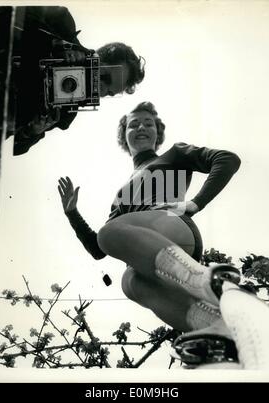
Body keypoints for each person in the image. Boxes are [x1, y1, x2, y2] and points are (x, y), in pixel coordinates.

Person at [58, 101, 242, 342]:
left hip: (174, 228)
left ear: (158, 132)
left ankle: (205, 281)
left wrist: (197, 202)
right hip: (153, 256)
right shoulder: (121, 194)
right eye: (134, 124)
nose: (141, 127)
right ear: (124, 136)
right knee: (130, 281)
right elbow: (99, 249)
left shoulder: (174, 155)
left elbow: (227, 159)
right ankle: (215, 330)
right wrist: (73, 214)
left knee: (109, 231)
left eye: (149, 123)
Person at [0, 6, 145, 156]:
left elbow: (10, 148)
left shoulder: (65, 112)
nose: (101, 89)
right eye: (105, 77)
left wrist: (30, 132)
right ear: (99, 58)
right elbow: (4, 13)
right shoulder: (61, 23)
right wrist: (54, 44)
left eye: (109, 93)